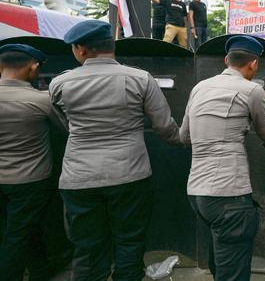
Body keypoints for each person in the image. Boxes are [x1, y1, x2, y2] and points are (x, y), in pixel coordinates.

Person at [49, 20, 181, 280]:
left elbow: (63, 124)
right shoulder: (140, 78)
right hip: (130, 175)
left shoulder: (59, 84)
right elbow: (165, 127)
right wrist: (187, 140)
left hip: (79, 178)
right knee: (129, 244)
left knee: (87, 250)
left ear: (81, 50)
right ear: (112, 47)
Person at [180, 35, 265, 281]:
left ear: (227, 60)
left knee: (221, 258)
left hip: (198, 193)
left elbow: (185, 136)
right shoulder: (253, 90)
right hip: (229, 196)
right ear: (253, 64)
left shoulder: (199, 88)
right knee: (233, 272)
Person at [0, 44, 67, 281]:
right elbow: (66, 128)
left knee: (24, 231)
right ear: (34, 67)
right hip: (30, 182)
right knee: (18, 236)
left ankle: (40, 269)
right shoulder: (41, 100)